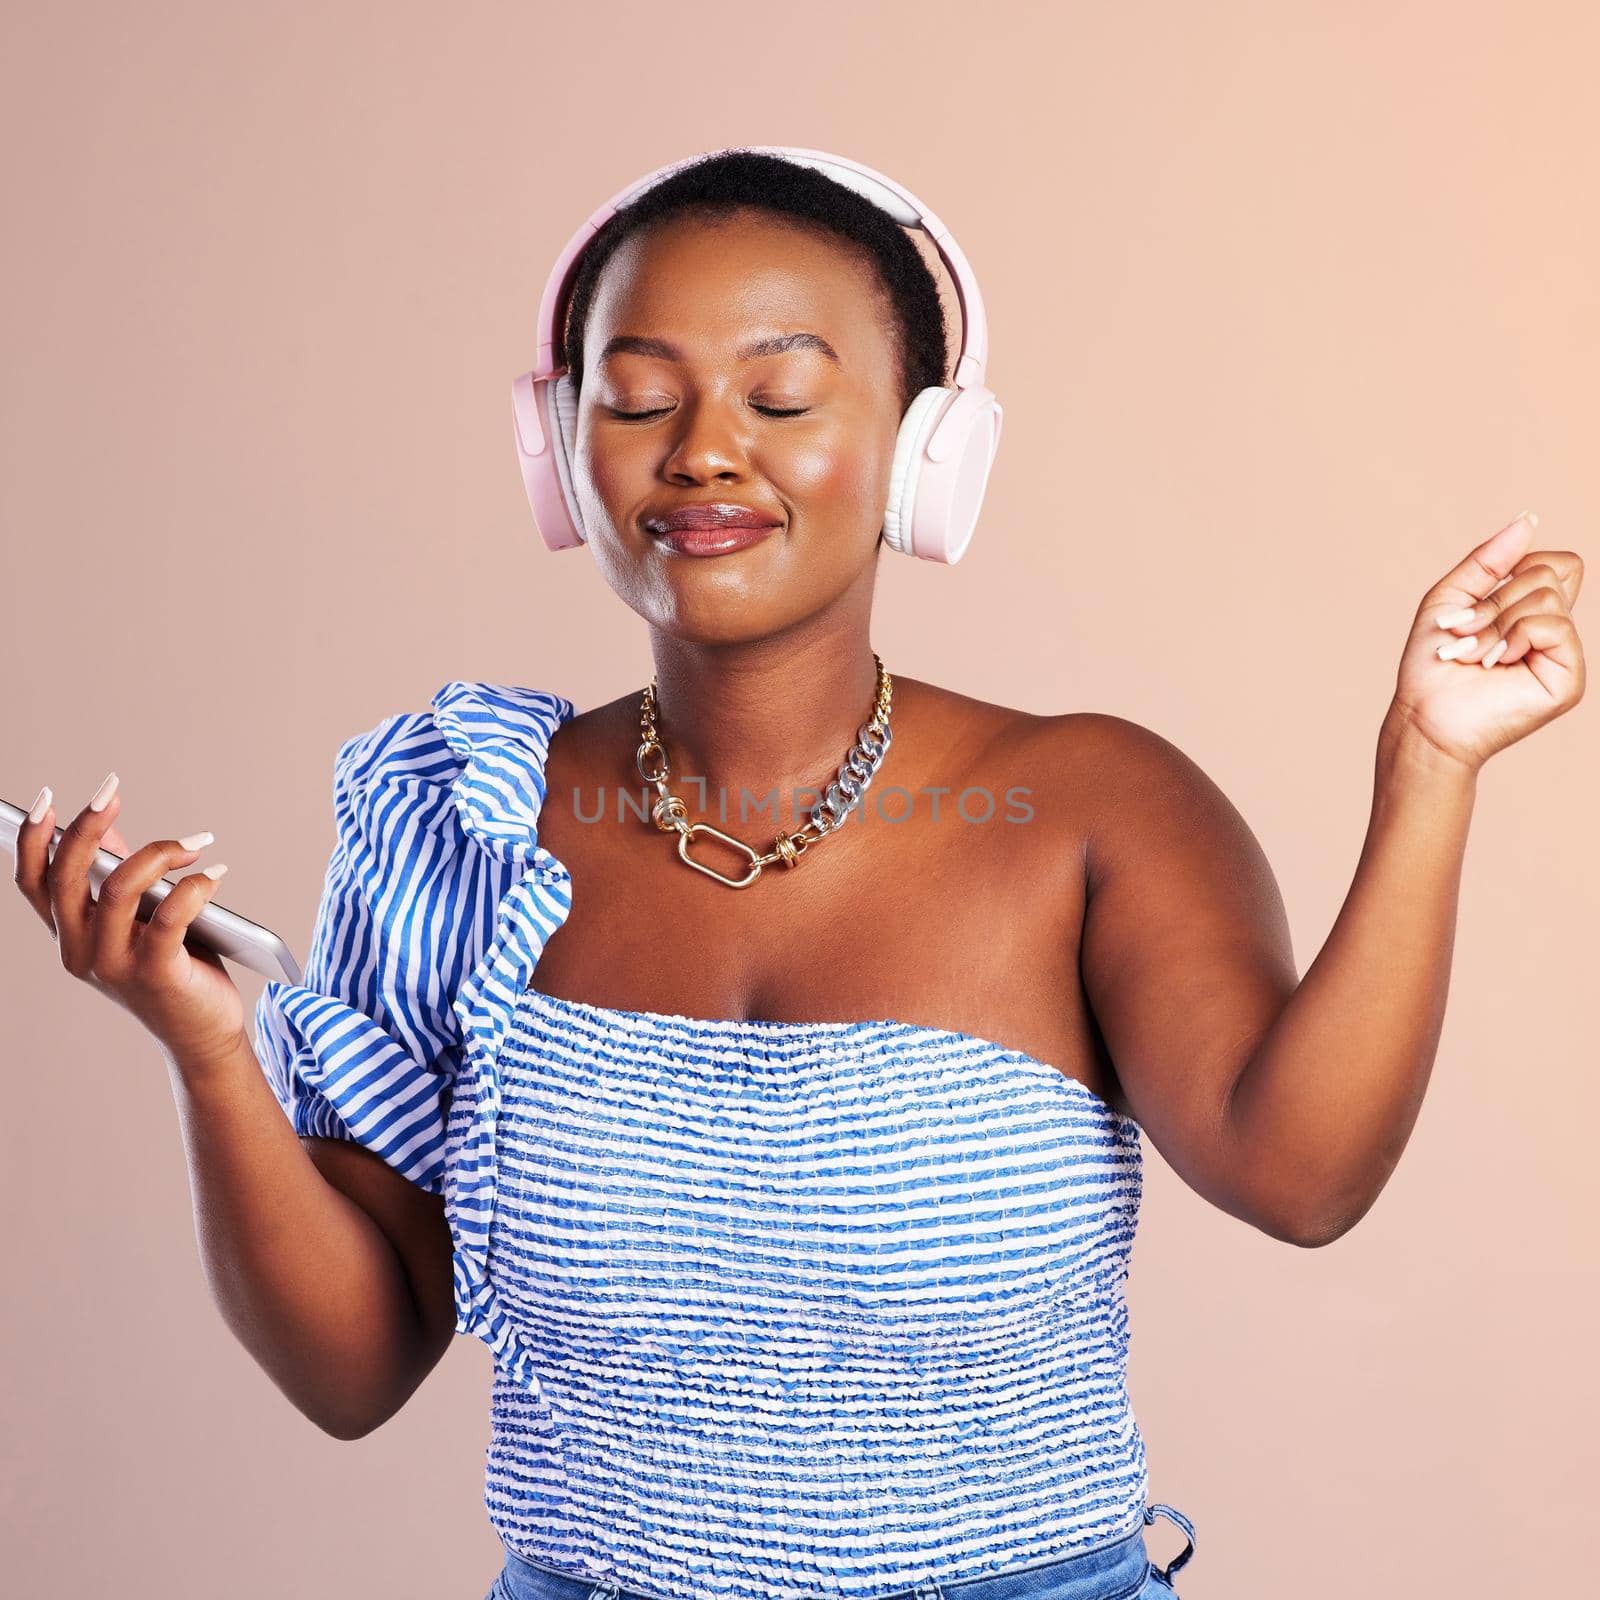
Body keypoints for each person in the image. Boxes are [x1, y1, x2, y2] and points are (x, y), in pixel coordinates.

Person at [11, 149, 1585, 1600]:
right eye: (638, 401)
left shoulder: (1094, 807)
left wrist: (1429, 766)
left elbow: (1300, 1175)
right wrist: (209, 1052)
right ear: (559, 449)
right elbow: (354, 1372)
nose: (703, 453)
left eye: (782, 398)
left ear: (922, 452)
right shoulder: (459, 821)